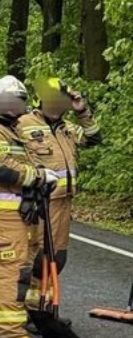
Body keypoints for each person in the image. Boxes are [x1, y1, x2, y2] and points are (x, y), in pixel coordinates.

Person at [0, 75, 59, 338]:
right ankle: (10, 332)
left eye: (17, 103)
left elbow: (21, 162)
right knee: (12, 271)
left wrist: (38, 177)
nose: (12, 108)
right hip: (0, 215)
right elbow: (3, 169)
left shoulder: (9, 131)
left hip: (4, 213)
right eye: (7, 102)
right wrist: (39, 177)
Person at [17, 78, 101, 319]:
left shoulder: (67, 129)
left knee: (56, 257)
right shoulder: (23, 124)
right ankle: (23, 309)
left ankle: (42, 308)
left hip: (63, 202)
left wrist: (82, 111)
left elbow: (94, 138)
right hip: (38, 202)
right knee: (33, 257)